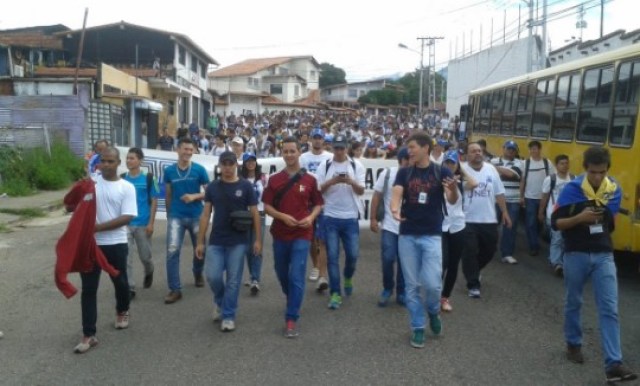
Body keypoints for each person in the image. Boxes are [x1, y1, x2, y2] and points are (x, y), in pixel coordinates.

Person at [552, 147, 637, 383]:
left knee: (609, 307)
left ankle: (614, 364)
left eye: (601, 172)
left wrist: (596, 219)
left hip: (603, 254)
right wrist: (579, 218)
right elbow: (556, 223)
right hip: (575, 253)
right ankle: (573, 343)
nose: (597, 177)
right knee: (574, 301)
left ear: (607, 170)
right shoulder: (572, 189)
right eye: (593, 172)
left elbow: (609, 224)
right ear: (585, 169)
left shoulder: (614, 190)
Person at [389, 132, 458, 348]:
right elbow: (397, 193)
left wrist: (454, 190)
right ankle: (418, 327)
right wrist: (394, 208)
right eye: (408, 148)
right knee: (411, 286)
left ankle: (433, 311)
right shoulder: (404, 173)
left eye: (412, 147)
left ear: (426, 148)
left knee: (432, 284)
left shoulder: (441, 171)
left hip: (431, 235)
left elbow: (451, 199)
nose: (409, 151)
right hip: (407, 234)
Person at [73, 147, 137, 353]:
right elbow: (75, 204)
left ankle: (122, 309)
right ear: (98, 163)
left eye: (111, 161)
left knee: (121, 282)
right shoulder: (90, 184)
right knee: (89, 289)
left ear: (119, 163)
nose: (106, 165)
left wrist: (99, 227)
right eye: (103, 161)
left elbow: (127, 216)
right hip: (91, 245)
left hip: (116, 244)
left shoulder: (126, 187)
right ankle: (88, 334)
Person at [262, 137, 324, 337]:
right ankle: (292, 298)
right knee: (281, 273)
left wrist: (311, 217)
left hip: (302, 233)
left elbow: (318, 204)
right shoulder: (274, 180)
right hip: (280, 233)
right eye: (285, 151)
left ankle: (291, 319)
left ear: (299, 152)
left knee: (296, 274)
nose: (289, 155)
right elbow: (268, 207)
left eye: (292, 151)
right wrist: (281, 216)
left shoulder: (310, 180)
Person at [196, 151, 261, 332]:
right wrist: (200, 241)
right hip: (216, 240)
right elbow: (205, 214)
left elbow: (255, 212)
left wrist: (258, 240)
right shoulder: (212, 188)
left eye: (230, 163)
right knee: (213, 276)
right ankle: (220, 301)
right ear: (219, 165)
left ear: (236, 165)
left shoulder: (246, 186)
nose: (227, 167)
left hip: (239, 241)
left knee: (233, 281)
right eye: (224, 163)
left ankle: (228, 315)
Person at [316, 134, 366, 310]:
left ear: (347, 148)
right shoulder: (326, 165)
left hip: (350, 217)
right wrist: (334, 180)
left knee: (352, 255)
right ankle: (335, 292)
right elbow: (318, 190)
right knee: (332, 257)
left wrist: (349, 181)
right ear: (332, 148)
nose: (338, 151)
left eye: (341, 148)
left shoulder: (356, 165)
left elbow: (361, 191)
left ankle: (348, 276)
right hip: (330, 216)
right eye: (336, 148)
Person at [460, 142, 512, 298]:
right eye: (473, 151)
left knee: (490, 250)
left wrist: (505, 212)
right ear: (467, 155)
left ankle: (474, 270)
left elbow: (499, 193)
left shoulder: (491, 169)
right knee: (469, 251)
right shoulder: (461, 169)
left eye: (479, 151)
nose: (478, 153)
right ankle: (473, 285)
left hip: (488, 219)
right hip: (467, 218)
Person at [163, 137, 211, 304]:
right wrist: (169, 215)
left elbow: (209, 193)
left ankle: (198, 272)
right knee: (172, 252)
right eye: (185, 149)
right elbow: (168, 194)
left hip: (197, 216)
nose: (188, 153)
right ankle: (175, 289)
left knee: (201, 250)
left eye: (191, 150)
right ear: (178, 149)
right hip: (176, 215)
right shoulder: (169, 171)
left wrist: (195, 196)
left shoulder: (200, 170)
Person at [370, 147, 410, 307]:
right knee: (388, 258)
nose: (410, 162)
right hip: (389, 226)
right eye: (407, 159)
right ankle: (387, 288)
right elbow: (376, 196)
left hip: (409, 228)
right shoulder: (388, 174)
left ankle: (402, 292)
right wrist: (373, 218)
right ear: (400, 160)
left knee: (404, 262)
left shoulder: (417, 176)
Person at [440, 150, 478, 312]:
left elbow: (474, 183)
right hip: (441, 226)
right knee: (443, 262)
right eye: (447, 162)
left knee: (454, 264)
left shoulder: (461, 184)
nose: (449, 165)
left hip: (458, 226)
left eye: (452, 163)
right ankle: (434, 294)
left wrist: (461, 169)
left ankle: (445, 297)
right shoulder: (437, 181)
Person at [122, 148, 161, 300]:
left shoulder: (149, 178)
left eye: (132, 158)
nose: (128, 161)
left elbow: (154, 201)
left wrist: (151, 223)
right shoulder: (122, 179)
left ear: (140, 161)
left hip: (143, 224)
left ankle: (149, 270)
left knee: (145, 256)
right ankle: (130, 287)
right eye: (127, 158)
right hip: (125, 224)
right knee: (126, 257)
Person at [299, 128, 332, 289]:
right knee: (311, 236)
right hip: (308, 202)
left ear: (324, 140)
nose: (317, 140)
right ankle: (316, 265)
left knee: (322, 238)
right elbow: (300, 177)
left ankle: (322, 270)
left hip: (325, 201)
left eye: (320, 138)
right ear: (310, 139)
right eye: (315, 137)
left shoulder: (330, 157)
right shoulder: (303, 157)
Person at [540, 154, 574, 276]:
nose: (565, 166)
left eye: (566, 163)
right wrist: (541, 212)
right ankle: (556, 263)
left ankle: (563, 262)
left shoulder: (573, 179)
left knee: (567, 240)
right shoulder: (551, 179)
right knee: (557, 239)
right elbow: (544, 197)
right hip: (554, 214)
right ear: (557, 165)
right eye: (562, 163)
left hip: (570, 215)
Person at [490, 140, 524, 265]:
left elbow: (511, 174)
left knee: (510, 227)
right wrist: (495, 169)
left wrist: (494, 168)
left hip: (512, 200)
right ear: (503, 148)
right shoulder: (493, 161)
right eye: (509, 148)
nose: (511, 151)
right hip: (495, 199)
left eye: (513, 149)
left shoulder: (519, 163)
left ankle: (507, 253)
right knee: (491, 225)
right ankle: (489, 248)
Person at [519, 140, 554, 256]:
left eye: (536, 149)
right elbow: (523, 180)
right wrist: (521, 196)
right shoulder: (526, 163)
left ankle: (536, 239)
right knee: (530, 223)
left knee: (541, 222)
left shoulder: (547, 162)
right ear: (529, 150)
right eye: (532, 149)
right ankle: (534, 246)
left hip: (544, 198)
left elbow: (552, 178)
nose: (534, 151)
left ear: (540, 150)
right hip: (530, 198)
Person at [240, 153, 266, 294]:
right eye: (248, 161)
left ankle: (255, 279)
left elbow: (268, 194)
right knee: (247, 249)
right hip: (244, 216)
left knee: (257, 247)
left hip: (260, 215)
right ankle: (252, 275)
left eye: (253, 161)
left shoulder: (263, 177)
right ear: (244, 163)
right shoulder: (240, 179)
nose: (250, 163)